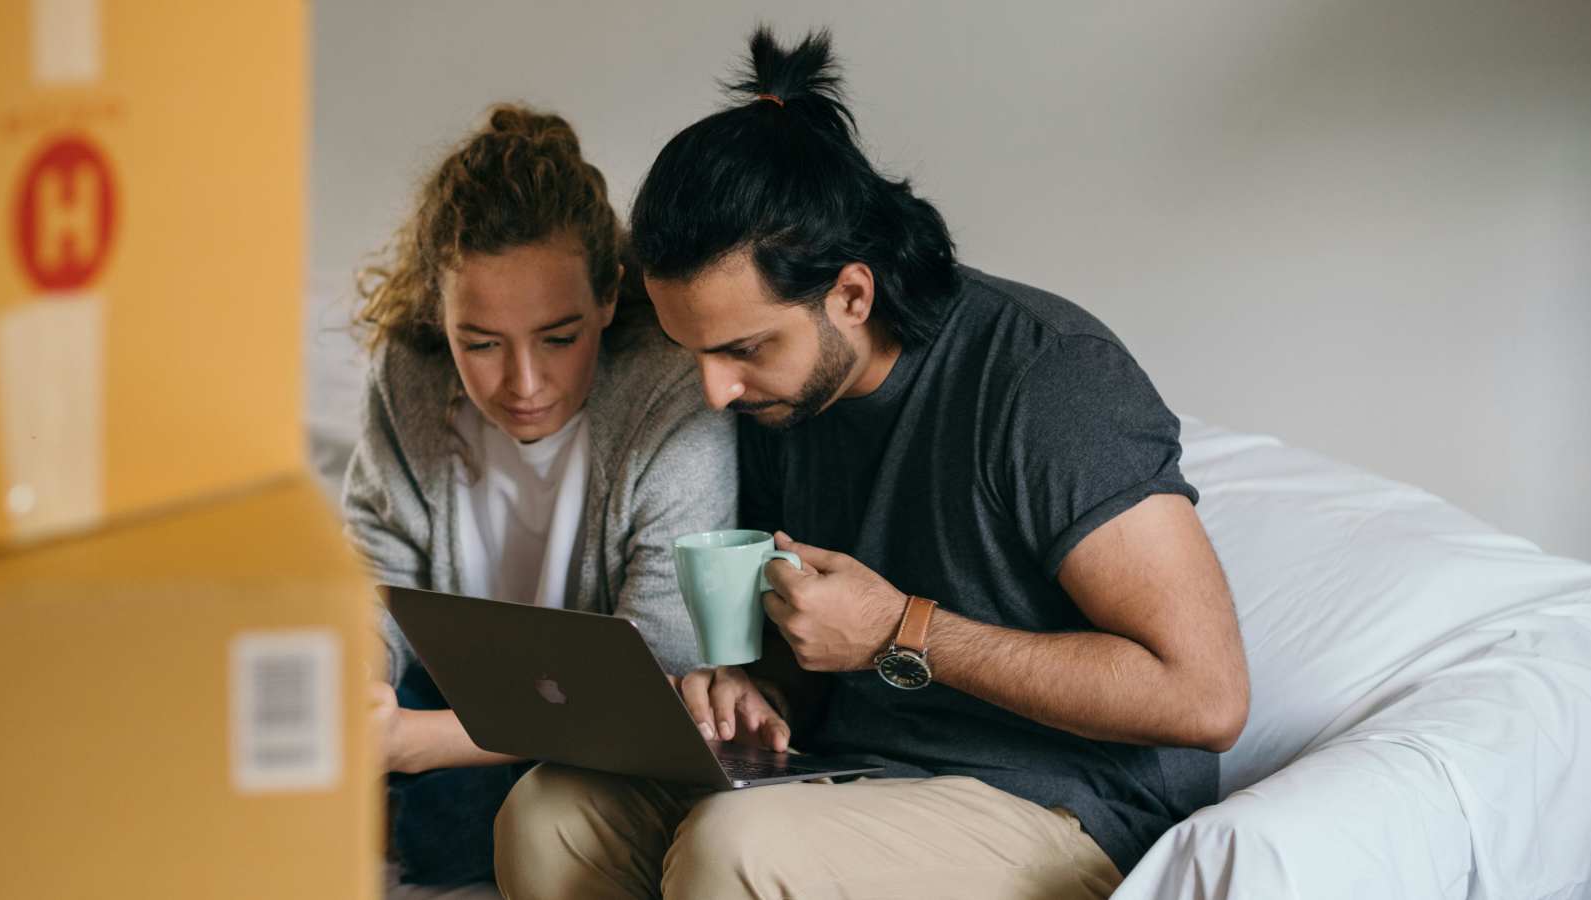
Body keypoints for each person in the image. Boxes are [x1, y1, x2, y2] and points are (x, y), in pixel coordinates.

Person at [492, 29, 1250, 900]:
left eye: (742, 348)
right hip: (850, 772)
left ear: (853, 294)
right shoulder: (784, 397)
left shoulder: (1047, 378)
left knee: (735, 845)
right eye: (693, 351)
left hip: (1067, 808)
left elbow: (1205, 697)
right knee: (550, 810)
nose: (714, 391)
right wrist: (755, 691)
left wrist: (902, 629)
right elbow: (818, 657)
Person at [340, 104, 735, 887]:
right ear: (439, 316)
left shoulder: (672, 395)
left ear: (610, 299)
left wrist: (417, 745)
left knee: (510, 808)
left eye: (559, 338)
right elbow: (370, 585)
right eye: (479, 344)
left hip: (601, 731)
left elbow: (663, 677)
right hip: (445, 689)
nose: (523, 384)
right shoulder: (409, 376)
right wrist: (359, 690)